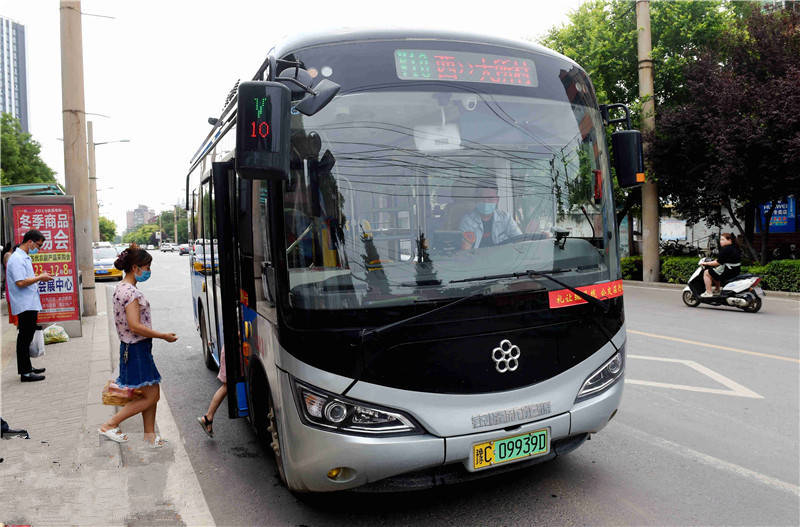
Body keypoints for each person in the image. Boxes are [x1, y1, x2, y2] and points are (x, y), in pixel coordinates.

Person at [98, 244, 178, 447]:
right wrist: (162, 335)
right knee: (151, 396)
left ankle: (150, 436)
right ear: (135, 268)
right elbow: (135, 326)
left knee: (150, 393)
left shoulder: (121, 287)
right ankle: (109, 425)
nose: (148, 272)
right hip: (136, 349)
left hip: (132, 348)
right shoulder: (131, 293)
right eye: (147, 267)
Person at [5, 230, 51, 382]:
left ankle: (27, 367)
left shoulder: (24, 257)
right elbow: (20, 282)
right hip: (24, 303)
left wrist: (38, 277)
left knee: (28, 335)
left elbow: (26, 279)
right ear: (30, 241)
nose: (38, 248)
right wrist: (40, 277)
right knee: (24, 337)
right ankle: (25, 372)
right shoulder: (17, 259)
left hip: (29, 302)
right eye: (38, 245)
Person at [197, 345, 227, 438]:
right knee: (227, 386)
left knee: (227, 386)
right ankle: (208, 417)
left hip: (230, 351)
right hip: (231, 353)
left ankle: (208, 418)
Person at [701, 232, 742, 298]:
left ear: (729, 240)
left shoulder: (726, 249)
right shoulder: (735, 247)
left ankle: (708, 292)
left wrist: (706, 263)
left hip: (728, 271)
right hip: (735, 270)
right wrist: (714, 261)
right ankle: (717, 290)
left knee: (707, 272)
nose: (720, 241)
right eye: (720, 239)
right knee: (714, 271)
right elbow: (722, 259)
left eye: (723, 240)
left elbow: (718, 262)